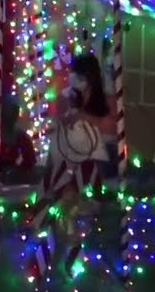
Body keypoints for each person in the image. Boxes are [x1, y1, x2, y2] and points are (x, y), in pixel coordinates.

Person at [44, 54, 113, 197]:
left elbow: (99, 121)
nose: (76, 77)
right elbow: (61, 119)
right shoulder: (66, 95)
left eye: (81, 74)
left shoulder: (98, 97)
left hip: (90, 151)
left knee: (89, 187)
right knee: (63, 186)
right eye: (75, 73)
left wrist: (80, 116)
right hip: (68, 150)